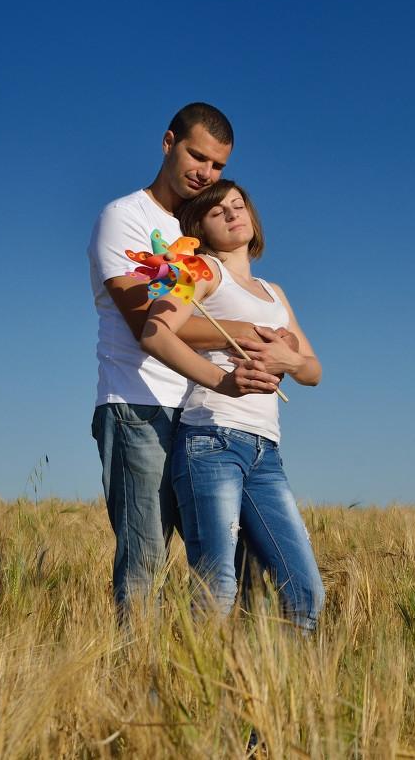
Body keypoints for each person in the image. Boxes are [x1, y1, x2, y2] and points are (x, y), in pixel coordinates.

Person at [86, 102, 301, 619]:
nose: (206, 172)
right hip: (139, 405)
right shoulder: (125, 217)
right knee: (146, 560)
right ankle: (138, 686)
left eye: (218, 165)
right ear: (168, 142)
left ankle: (227, 686)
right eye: (197, 156)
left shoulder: (202, 228)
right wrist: (248, 334)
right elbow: (148, 325)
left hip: (204, 416)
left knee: (238, 564)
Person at [138, 179, 325, 632]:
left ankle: (277, 700)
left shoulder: (274, 292)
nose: (232, 214)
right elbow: (155, 331)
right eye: (217, 211)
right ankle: (187, 693)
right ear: (198, 226)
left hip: (267, 451)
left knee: (305, 593)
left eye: (238, 205)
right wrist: (222, 380)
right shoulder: (199, 271)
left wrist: (289, 358)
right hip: (212, 441)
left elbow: (313, 371)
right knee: (216, 589)